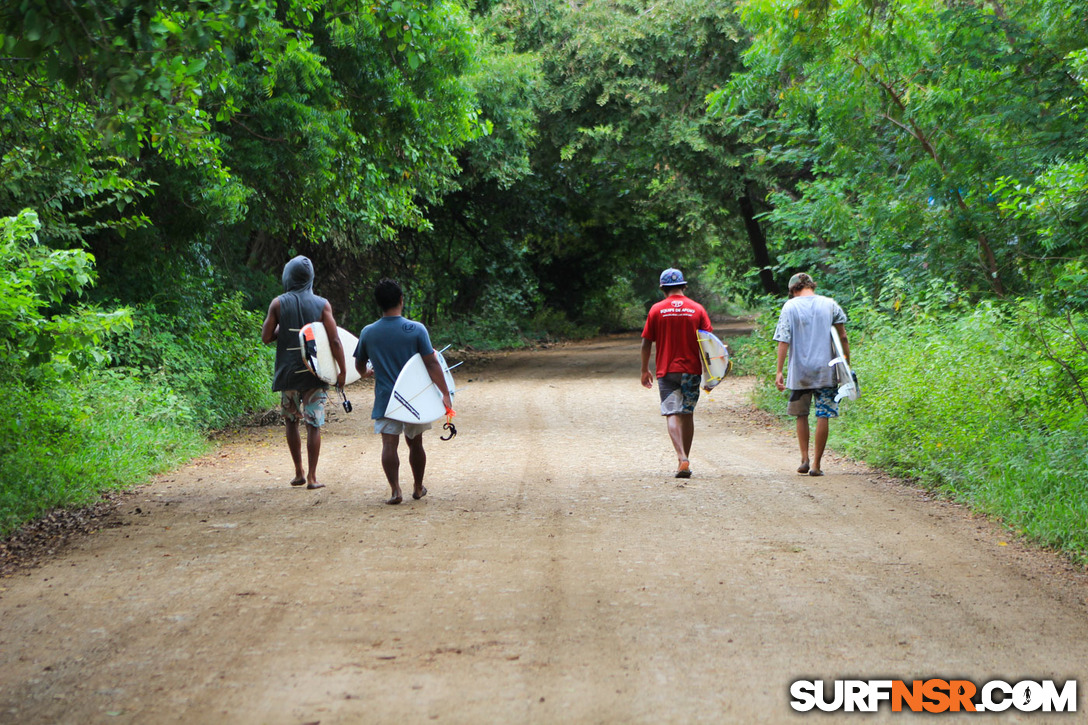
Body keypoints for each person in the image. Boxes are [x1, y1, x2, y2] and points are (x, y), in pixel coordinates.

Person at [354, 278, 452, 505]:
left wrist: (365, 373)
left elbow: (359, 365)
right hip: (415, 399)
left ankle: (395, 490)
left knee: (389, 444)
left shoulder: (368, 332)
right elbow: (431, 363)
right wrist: (445, 393)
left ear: (379, 304)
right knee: (415, 443)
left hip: (386, 399)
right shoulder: (417, 329)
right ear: (401, 299)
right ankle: (418, 487)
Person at [261, 256, 346, 490]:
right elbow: (335, 341)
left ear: (287, 276)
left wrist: (282, 326)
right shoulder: (322, 304)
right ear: (310, 278)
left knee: (291, 421)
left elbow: (266, 337)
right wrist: (342, 371)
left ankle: (297, 472)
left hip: (288, 373)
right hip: (314, 374)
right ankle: (312, 477)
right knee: (313, 424)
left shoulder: (278, 304)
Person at [773, 272, 850, 477]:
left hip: (800, 372)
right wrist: (846, 367)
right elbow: (843, 336)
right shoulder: (830, 304)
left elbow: (783, 340)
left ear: (793, 290)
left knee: (801, 414)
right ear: (811, 286)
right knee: (823, 414)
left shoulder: (790, 306)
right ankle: (816, 464)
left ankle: (804, 458)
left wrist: (779, 370)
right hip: (827, 370)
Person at [640, 268, 713, 479]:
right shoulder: (697, 309)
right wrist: (711, 376)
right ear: (684, 286)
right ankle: (685, 459)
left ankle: (681, 458)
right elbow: (709, 345)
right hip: (691, 370)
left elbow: (646, 342)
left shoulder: (656, 310)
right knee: (687, 413)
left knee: (671, 412)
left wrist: (645, 370)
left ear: (662, 288)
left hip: (666, 370)